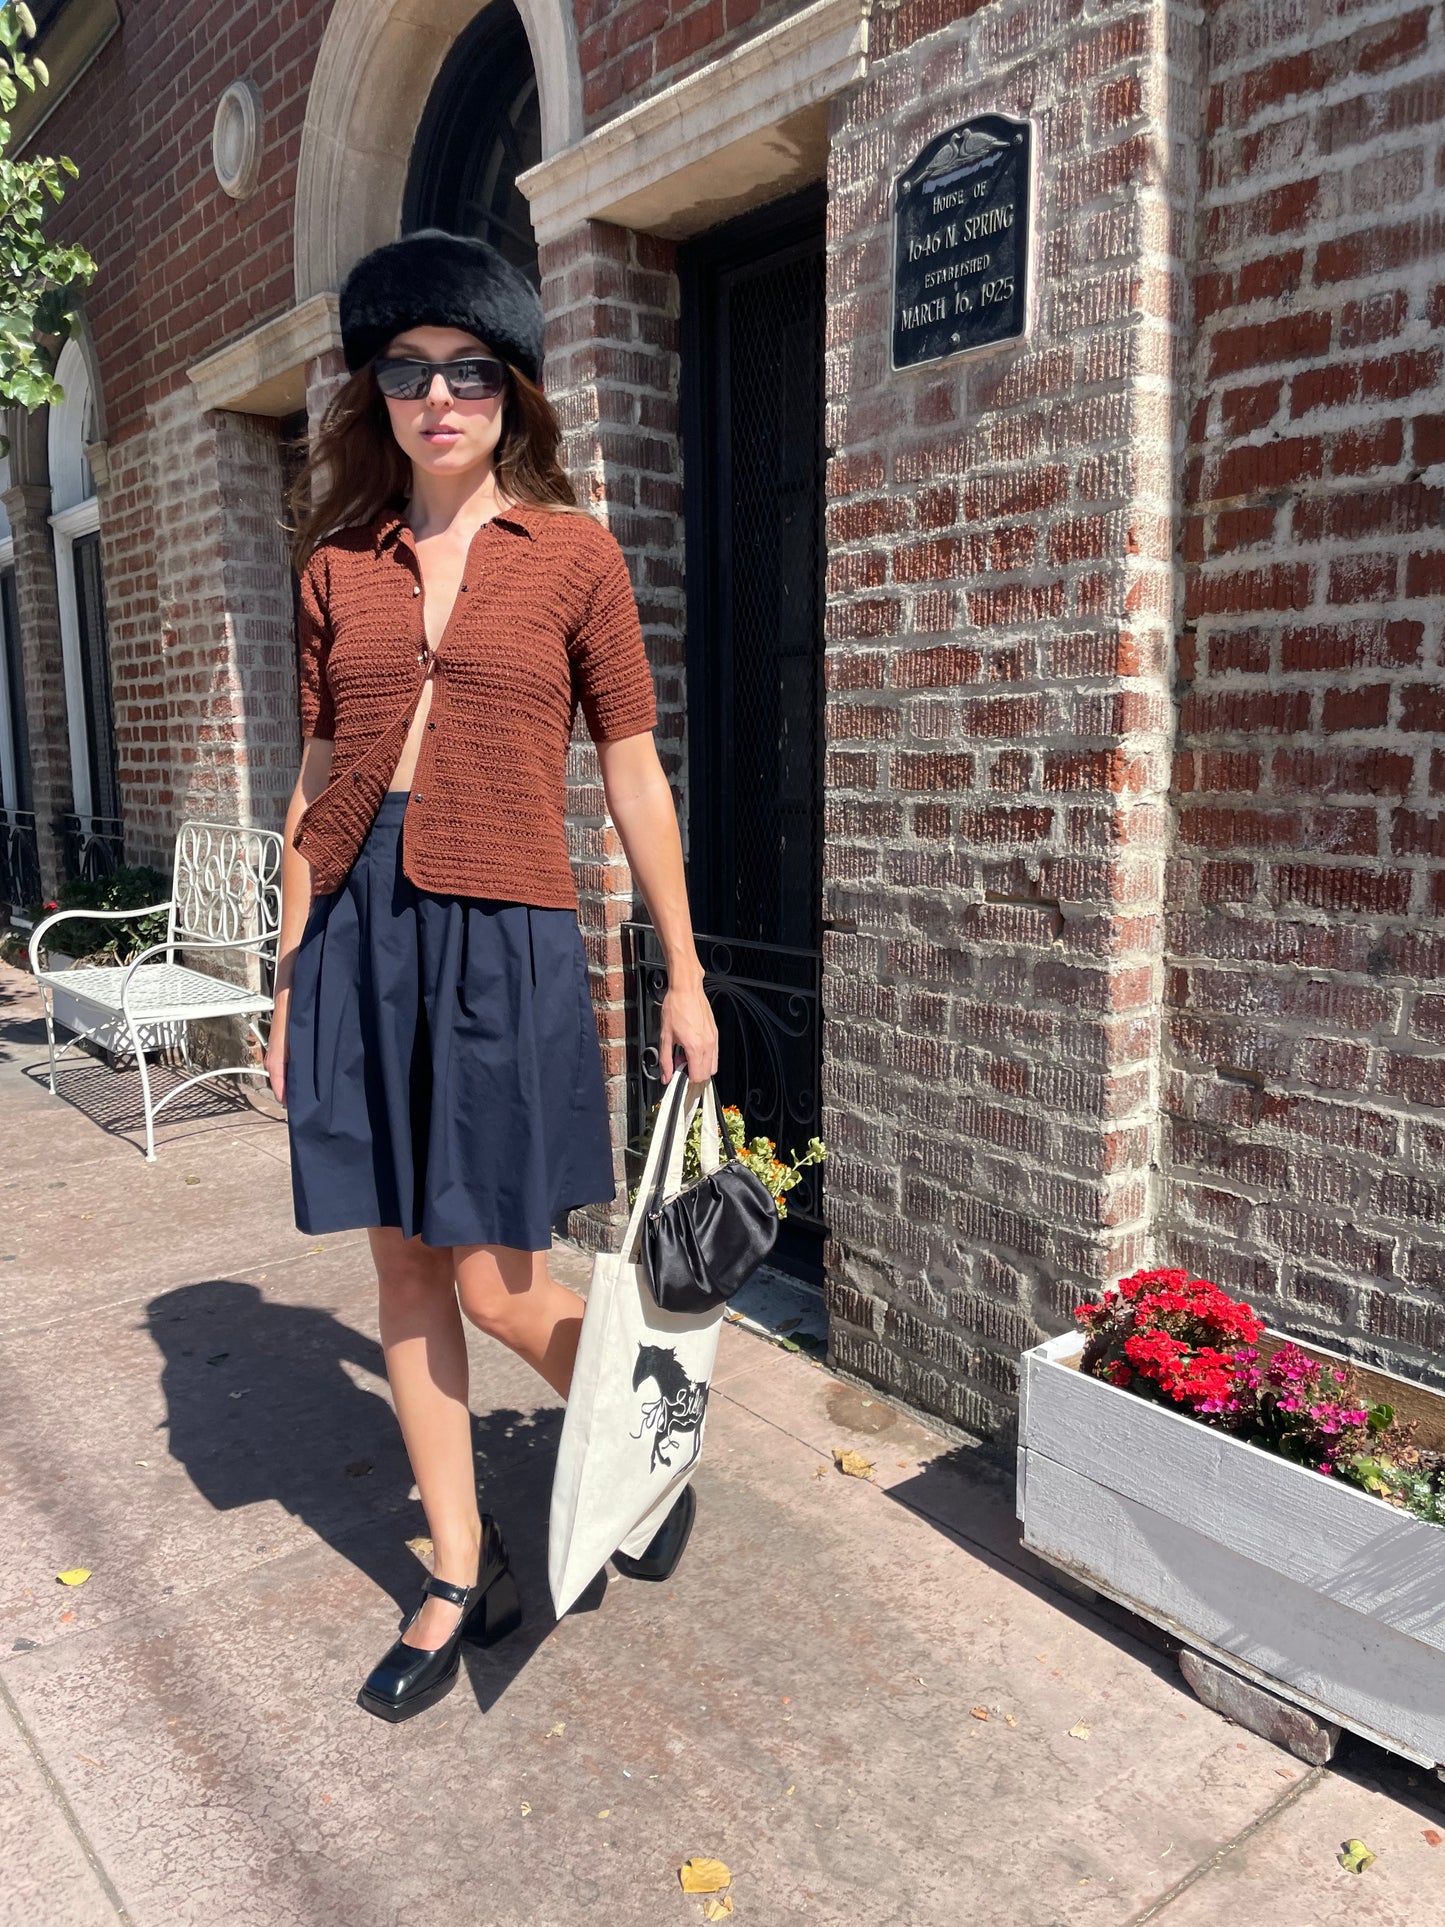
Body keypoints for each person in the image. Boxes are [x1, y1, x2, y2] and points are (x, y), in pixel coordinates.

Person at [267, 228, 720, 1722]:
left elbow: (634, 772)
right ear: (373, 393)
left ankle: (637, 1411)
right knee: (400, 1258)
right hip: (356, 927)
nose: (437, 397)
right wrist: (284, 984)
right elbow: (320, 771)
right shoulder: (338, 565)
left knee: (499, 1273)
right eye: (407, 373)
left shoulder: (573, 555)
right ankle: (461, 1567)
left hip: (505, 923)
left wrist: (680, 970)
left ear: (511, 389)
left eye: (467, 370)